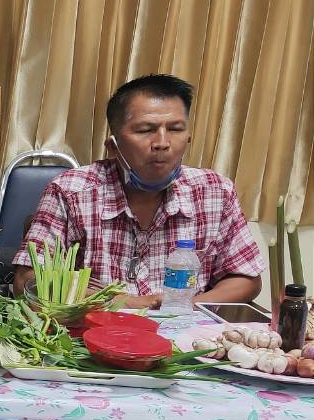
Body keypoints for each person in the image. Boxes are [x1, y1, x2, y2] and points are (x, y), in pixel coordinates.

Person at [13, 74, 264, 308]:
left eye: (175, 129)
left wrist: (185, 307)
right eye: (145, 130)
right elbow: (28, 281)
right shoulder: (71, 191)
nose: (162, 143)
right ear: (113, 145)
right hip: (96, 334)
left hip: (187, 335)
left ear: (189, 137)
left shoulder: (215, 191)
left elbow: (245, 276)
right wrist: (126, 303)